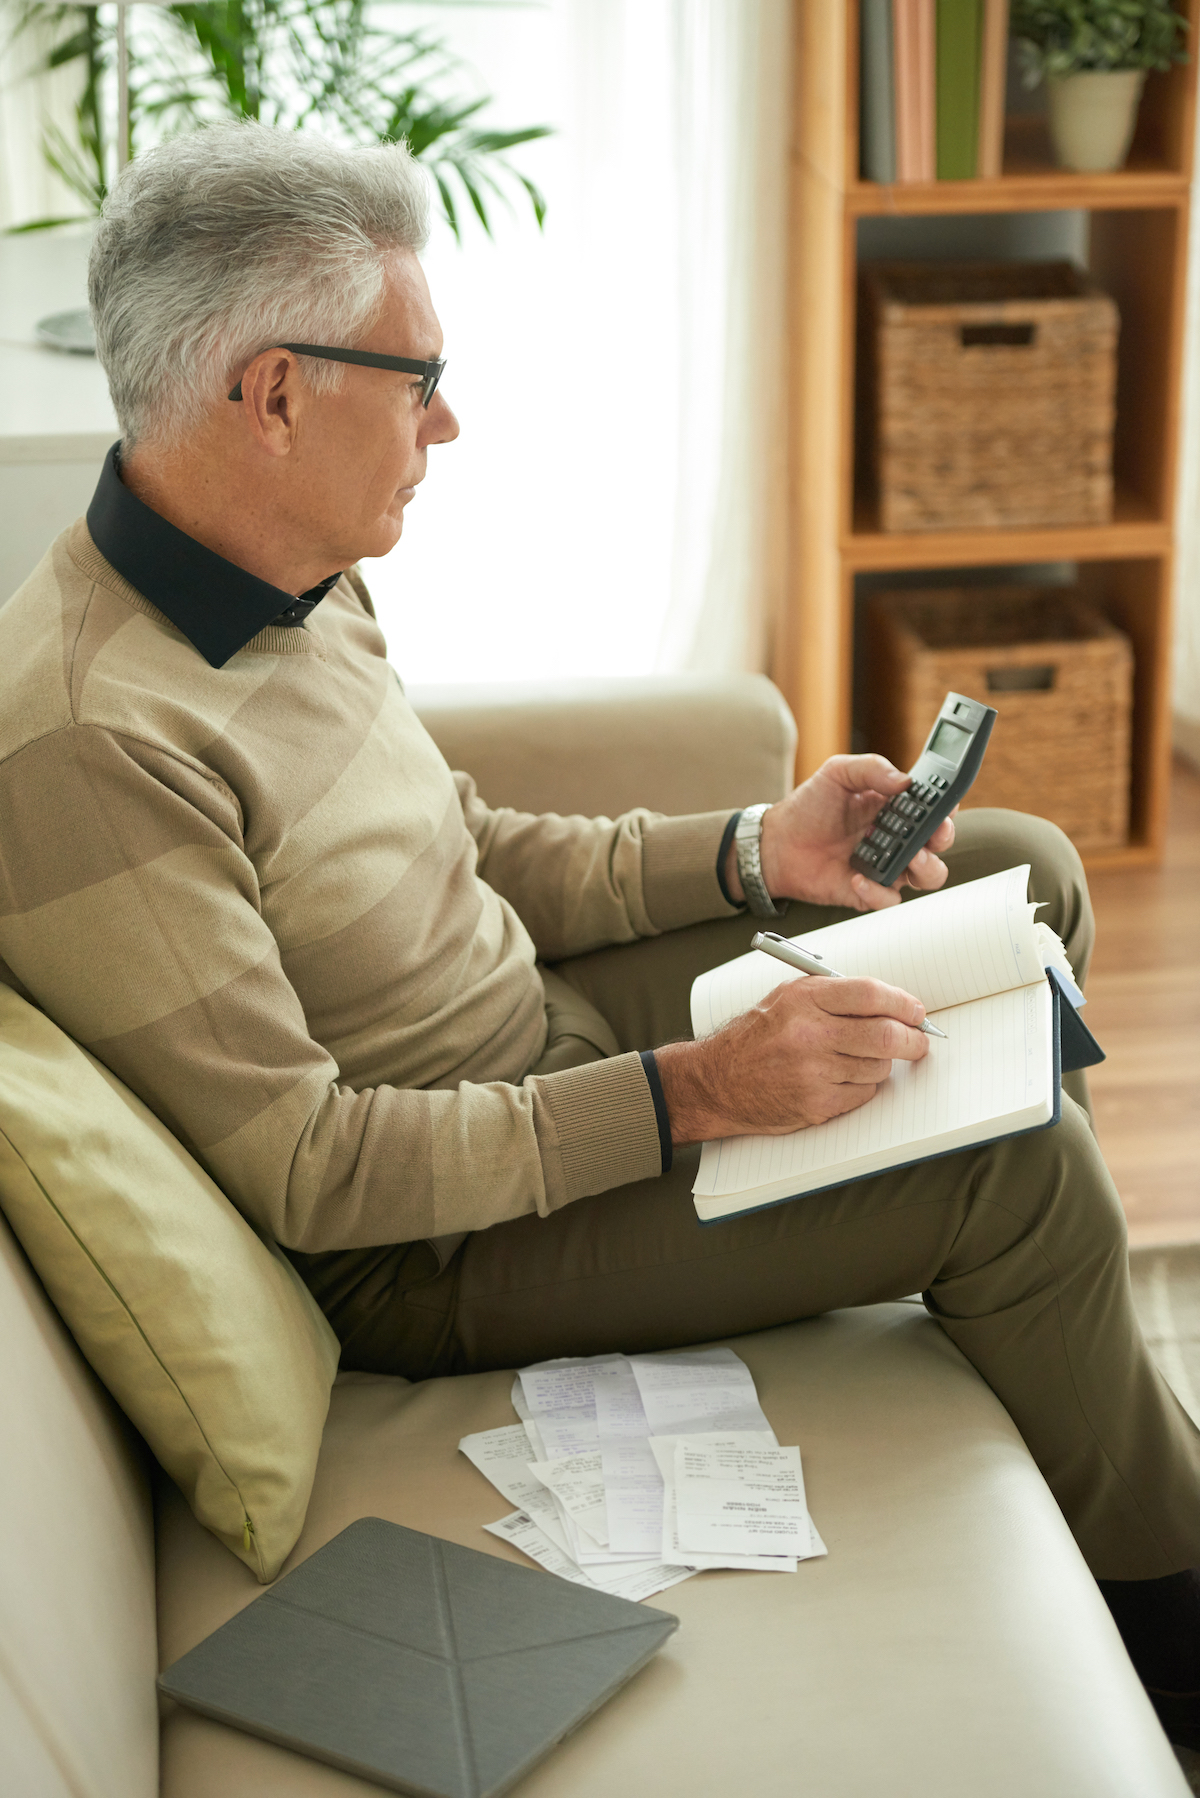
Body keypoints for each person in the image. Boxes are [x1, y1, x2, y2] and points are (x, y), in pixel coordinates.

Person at [0, 121, 1198, 1745]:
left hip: (535, 1042)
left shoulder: (288, 566)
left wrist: (752, 849)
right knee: (1013, 1162)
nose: (449, 421)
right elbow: (315, 1171)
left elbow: (466, 844)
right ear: (274, 395)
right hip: (435, 1240)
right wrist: (702, 1092)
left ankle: (1045, 1361)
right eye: (415, 378)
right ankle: (1176, 1610)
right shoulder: (91, 742)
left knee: (1017, 866)